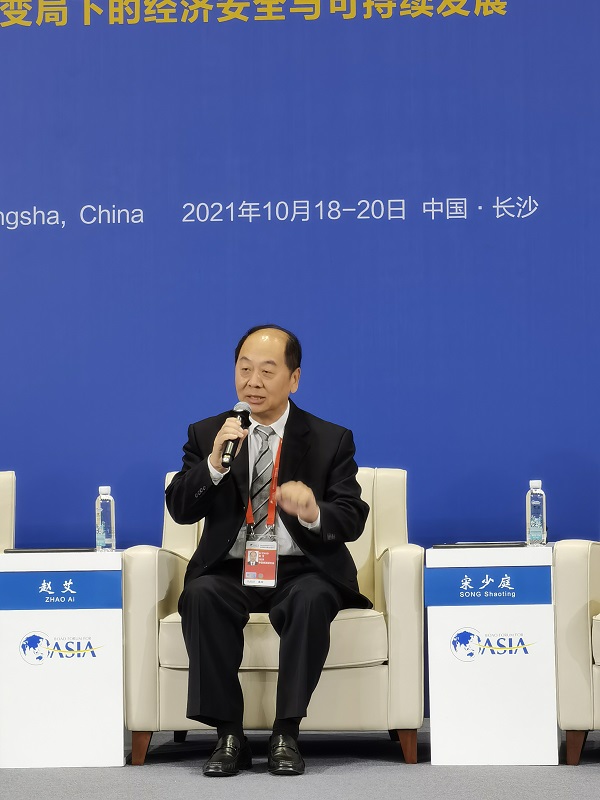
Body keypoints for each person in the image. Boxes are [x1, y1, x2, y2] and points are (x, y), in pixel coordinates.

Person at [166, 324, 370, 777]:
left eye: (266, 371)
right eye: (244, 369)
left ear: (294, 379)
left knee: (313, 598)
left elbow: (352, 516)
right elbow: (180, 508)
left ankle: (286, 733)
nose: (252, 382)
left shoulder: (330, 438)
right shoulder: (210, 433)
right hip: (231, 568)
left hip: (302, 568)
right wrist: (213, 465)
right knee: (200, 595)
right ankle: (229, 736)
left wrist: (314, 512)